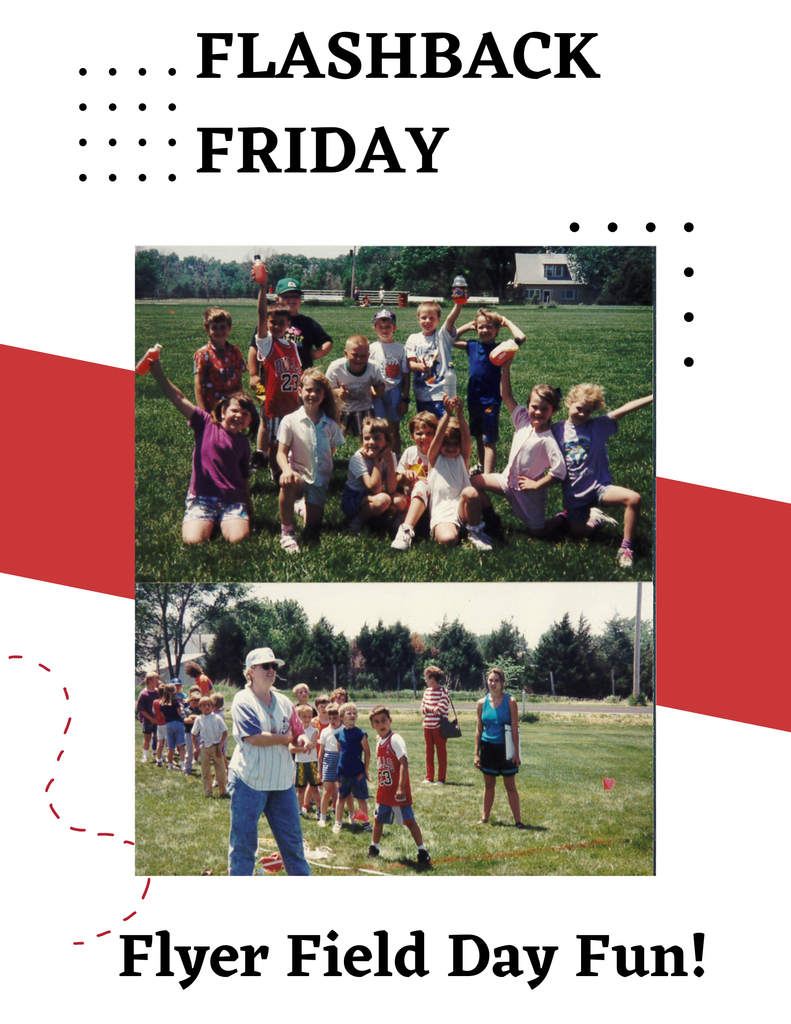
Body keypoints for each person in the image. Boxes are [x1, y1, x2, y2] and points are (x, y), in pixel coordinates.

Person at [148, 354, 257, 544]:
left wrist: (248, 503)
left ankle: (226, 520)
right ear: (223, 412)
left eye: (245, 414)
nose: (239, 416)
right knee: (193, 541)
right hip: (202, 498)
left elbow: (244, 476)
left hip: (232, 499)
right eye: (235, 411)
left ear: (249, 421)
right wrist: (157, 371)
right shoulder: (205, 424)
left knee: (239, 539)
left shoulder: (243, 443)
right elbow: (178, 398)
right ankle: (207, 521)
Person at [227, 648, 312, 875]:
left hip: (282, 781)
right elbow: (253, 737)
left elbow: (298, 729)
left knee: (293, 845)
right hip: (249, 780)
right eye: (266, 666)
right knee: (243, 846)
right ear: (251, 671)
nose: (272, 670)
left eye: (274, 666)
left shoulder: (284, 701)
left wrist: (302, 739)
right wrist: (286, 738)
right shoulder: (242, 700)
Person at [549, 385, 654, 567]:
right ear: (569, 403)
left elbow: (624, 410)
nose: (582, 414)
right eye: (578, 408)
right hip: (575, 494)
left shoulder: (598, 426)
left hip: (599, 487)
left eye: (587, 411)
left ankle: (626, 548)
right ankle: (595, 517)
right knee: (579, 533)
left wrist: (653, 397)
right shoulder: (555, 430)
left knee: (634, 499)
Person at [471, 358, 566, 538]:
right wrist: (506, 368)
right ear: (528, 406)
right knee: (473, 482)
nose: (538, 412)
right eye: (534, 407)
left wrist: (536, 484)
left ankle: (563, 517)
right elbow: (506, 395)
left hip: (529, 492)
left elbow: (559, 471)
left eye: (544, 409)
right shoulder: (523, 420)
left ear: (553, 411)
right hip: (507, 480)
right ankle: (491, 517)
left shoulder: (547, 440)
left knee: (537, 533)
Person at [276, 369, 344, 553]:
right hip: (297, 474)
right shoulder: (290, 420)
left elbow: (331, 451)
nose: (312, 394)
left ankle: (301, 507)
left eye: (318, 391)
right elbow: (280, 453)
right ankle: (287, 532)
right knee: (288, 484)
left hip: (319, 481)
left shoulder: (330, 424)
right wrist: (286, 470)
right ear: (299, 392)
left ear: (324, 395)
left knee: (313, 527)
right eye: (308, 390)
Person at [453, 309, 526, 474]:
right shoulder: (472, 345)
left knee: (489, 439)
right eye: (481, 327)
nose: (484, 331)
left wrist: (506, 321)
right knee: (478, 435)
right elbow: (450, 339)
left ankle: (488, 475)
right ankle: (480, 465)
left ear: (497, 329)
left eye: (489, 327)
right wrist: (469, 326)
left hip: (491, 400)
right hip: (474, 399)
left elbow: (521, 337)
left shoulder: (502, 348)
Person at [248, 283, 302, 478]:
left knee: (292, 441)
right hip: (275, 405)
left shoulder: (292, 346)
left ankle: (288, 468)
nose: (277, 326)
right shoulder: (267, 343)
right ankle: (275, 472)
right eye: (273, 323)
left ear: (288, 324)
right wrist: (262, 289)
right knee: (275, 443)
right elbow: (262, 314)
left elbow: (299, 373)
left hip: (294, 404)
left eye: (282, 323)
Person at [368, 705, 431, 865]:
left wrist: (401, 786)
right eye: (377, 722)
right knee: (378, 820)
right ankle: (374, 847)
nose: (381, 724)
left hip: (398, 792)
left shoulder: (395, 739)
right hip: (384, 792)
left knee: (409, 822)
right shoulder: (378, 740)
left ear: (390, 720)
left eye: (384, 720)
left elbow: (403, 762)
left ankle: (422, 850)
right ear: (372, 725)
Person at [427, 397, 492, 550]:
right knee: (448, 539)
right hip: (442, 513)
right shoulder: (434, 460)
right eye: (446, 443)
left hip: (462, 509)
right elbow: (437, 437)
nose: (451, 448)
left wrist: (460, 415)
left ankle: (475, 531)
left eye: (455, 444)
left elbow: (466, 439)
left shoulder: (462, 459)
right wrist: (447, 414)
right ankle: (455, 530)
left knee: (470, 492)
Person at [474, 669, 524, 828]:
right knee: (489, 784)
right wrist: (476, 753)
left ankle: (518, 821)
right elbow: (478, 729)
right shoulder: (481, 703)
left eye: (496, 680)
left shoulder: (511, 701)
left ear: (502, 683)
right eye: (490, 680)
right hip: (487, 748)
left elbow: (515, 728)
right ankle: (485, 817)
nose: (493, 683)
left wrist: (516, 752)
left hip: (505, 749)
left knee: (510, 785)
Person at [341, 416, 406, 533]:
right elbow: (375, 488)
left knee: (399, 501)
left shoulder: (390, 455)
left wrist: (390, 462)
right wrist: (376, 460)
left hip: (375, 496)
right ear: (362, 441)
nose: (371, 442)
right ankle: (357, 521)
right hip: (354, 498)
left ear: (387, 440)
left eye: (377, 438)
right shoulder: (358, 458)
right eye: (367, 438)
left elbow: (391, 489)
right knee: (383, 499)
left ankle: (385, 522)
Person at [405, 300, 464, 419]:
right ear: (418, 319)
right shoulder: (413, 339)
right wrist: (420, 367)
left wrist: (459, 303)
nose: (427, 321)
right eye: (424, 318)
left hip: (442, 392)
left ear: (439, 319)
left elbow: (451, 320)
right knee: (426, 426)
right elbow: (410, 363)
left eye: (432, 318)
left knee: (445, 427)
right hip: (421, 392)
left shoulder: (442, 336)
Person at [391, 411, 438, 551]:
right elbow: (397, 480)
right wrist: (404, 476)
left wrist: (419, 479)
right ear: (412, 436)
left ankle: (407, 530)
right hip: (411, 501)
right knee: (392, 524)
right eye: (419, 433)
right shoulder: (410, 453)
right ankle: (413, 525)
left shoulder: (440, 454)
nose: (424, 437)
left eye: (429, 433)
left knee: (421, 485)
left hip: (433, 502)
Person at [326, 336, 387, 438]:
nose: (359, 359)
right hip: (341, 410)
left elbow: (378, 389)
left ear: (368, 355)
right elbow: (327, 390)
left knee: (366, 437)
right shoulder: (336, 368)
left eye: (363, 356)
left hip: (364, 409)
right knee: (337, 440)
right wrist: (338, 392)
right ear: (346, 354)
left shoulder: (373, 367)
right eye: (355, 355)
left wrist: (379, 390)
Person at [369, 309, 410, 456]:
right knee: (377, 427)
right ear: (375, 329)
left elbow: (406, 375)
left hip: (395, 391)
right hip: (377, 392)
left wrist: (405, 399)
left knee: (393, 428)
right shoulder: (372, 348)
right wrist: (371, 390)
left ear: (395, 328)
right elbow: (367, 372)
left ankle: (396, 458)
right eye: (380, 326)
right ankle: (377, 457)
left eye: (388, 326)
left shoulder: (401, 349)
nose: (384, 330)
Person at [193, 307, 248, 413]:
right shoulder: (203, 354)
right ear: (207, 329)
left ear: (229, 328)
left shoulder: (235, 351)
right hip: (212, 406)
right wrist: (203, 412)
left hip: (232, 405)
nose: (219, 331)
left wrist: (241, 402)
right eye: (214, 328)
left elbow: (238, 381)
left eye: (223, 327)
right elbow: (198, 384)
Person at [333, 702, 371, 834]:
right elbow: (340, 751)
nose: (352, 715)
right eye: (349, 713)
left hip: (357, 772)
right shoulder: (339, 735)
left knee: (361, 798)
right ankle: (338, 822)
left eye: (354, 713)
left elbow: (367, 752)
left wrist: (366, 770)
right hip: (343, 772)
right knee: (342, 797)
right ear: (342, 717)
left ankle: (365, 822)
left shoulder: (361, 733)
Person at [193, 695, 229, 798]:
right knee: (206, 771)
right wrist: (195, 747)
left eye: (208, 705)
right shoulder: (199, 719)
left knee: (221, 770)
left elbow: (225, 732)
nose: (206, 707)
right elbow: (194, 733)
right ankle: (208, 792)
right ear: (200, 707)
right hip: (205, 747)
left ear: (212, 706)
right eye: (203, 705)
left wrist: (220, 745)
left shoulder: (217, 718)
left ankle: (223, 791)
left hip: (216, 746)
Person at [420, 665, 450, 785]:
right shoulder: (426, 692)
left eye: (427, 678)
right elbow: (422, 709)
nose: (425, 680)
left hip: (439, 727)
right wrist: (429, 708)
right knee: (429, 752)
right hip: (427, 726)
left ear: (432, 678)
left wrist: (428, 708)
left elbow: (440, 710)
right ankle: (429, 777)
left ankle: (441, 778)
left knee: (441, 753)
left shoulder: (444, 692)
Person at [290, 704, 320, 818]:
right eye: (304, 717)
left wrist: (300, 748)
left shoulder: (314, 730)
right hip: (299, 763)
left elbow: (313, 744)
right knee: (300, 789)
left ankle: (319, 809)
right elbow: (292, 748)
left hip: (312, 762)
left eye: (309, 716)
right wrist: (302, 748)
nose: (307, 719)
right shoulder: (295, 732)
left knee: (314, 788)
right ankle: (299, 810)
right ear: (298, 718)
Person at [317, 702, 344, 828]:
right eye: (329, 718)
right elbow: (321, 753)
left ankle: (339, 819)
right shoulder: (324, 732)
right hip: (328, 760)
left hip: (341, 760)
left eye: (335, 718)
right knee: (327, 791)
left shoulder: (345, 730)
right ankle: (322, 817)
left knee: (340, 792)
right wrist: (319, 770)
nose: (332, 721)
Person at [159, 683, 187, 771]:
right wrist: (182, 710)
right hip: (178, 723)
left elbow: (162, 715)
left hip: (168, 724)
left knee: (170, 747)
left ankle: (170, 765)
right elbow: (179, 712)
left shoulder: (162, 703)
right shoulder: (175, 702)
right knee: (181, 745)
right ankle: (183, 764)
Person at [137, 671, 160, 763]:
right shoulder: (143, 694)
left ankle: (159, 754)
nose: (157, 683)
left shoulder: (158, 692)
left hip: (158, 719)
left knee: (158, 737)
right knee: (147, 737)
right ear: (149, 681)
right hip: (147, 720)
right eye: (156, 681)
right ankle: (145, 755)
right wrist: (151, 719)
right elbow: (141, 709)